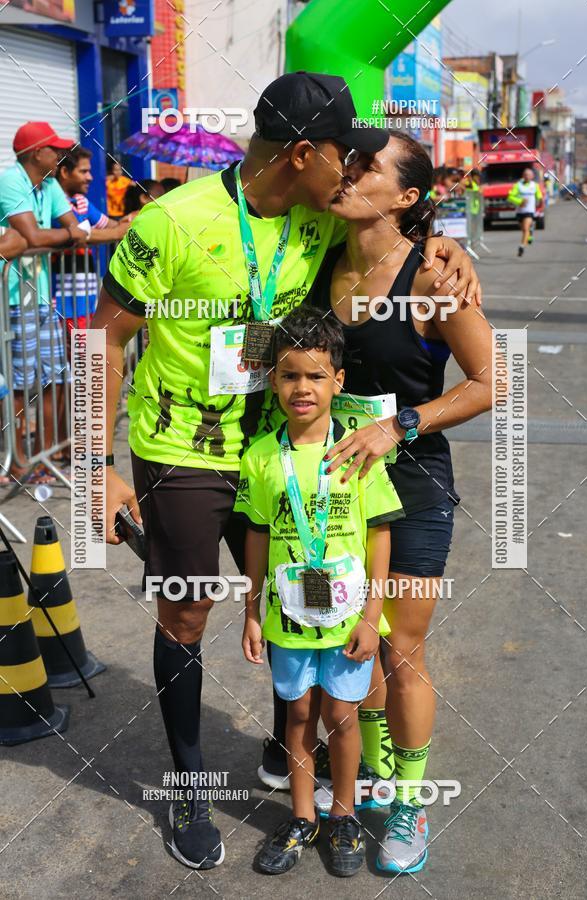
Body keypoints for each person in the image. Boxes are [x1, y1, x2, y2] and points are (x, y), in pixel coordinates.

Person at [92, 71, 481, 870]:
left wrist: (451, 246)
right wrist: (99, 464)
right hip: (183, 450)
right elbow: (104, 338)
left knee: (299, 597)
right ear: (303, 154)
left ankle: (291, 741)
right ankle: (188, 788)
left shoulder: (319, 213)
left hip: (283, 447)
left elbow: (400, 232)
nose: (351, 169)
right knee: (188, 613)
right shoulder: (171, 221)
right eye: (345, 153)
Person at [308, 131, 493, 873]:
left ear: (408, 197)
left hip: (412, 487)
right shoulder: (319, 255)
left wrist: (402, 424)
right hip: (334, 488)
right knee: (352, 642)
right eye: (349, 162)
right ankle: (378, 770)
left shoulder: (431, 277)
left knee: (400, 646)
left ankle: (410, 804)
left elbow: (491, 381)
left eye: (369, 167)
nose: (349, 173)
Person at [237, 308, 404, 877]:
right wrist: (251, 612)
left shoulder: (358, 453)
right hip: (287, 619)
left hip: (349, 619)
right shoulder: (261, 457)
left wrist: (372, 616)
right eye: (289, 375)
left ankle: (344, 815)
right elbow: (256, 535)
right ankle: (303, 817)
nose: (301, 388)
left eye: (315, 375)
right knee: (299, 713)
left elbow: (380, 536)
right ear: (272, 381)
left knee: (341, 714)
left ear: (338, 381)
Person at [0, 121, 87, 485]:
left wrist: (67, 233)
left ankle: (46, 454)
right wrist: (68, 234)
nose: (61, 156)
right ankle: (18, 459)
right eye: (56, 150)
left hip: (39, 296)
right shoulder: (11, 181)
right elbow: (34, 236)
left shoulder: (48, 184)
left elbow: (75, 228)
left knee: (55, 375)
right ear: (37, 153)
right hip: (13, 300)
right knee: (19, 383)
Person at [53, 146, 129, 339]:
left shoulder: (81, 200)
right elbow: (81, 235)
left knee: (90, 355)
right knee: (82, 356)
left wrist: (133, 220)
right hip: (64, 305)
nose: (90, 177)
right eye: (84, 171)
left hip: (87, 302)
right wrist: (118, 232)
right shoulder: (55, 201)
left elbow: (111, 225)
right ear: (64, 172)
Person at [508, 167, 543, 257]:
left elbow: (539, 196)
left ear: (532, 176)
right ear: (523, 176)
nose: (527, 176)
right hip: (520, 211)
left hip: (530, 211)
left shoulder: (534, 185)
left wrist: (541, 203)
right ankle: (530, 233)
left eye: (529, 175)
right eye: (525, 175)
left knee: (525, 228)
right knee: (523, 229)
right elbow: (510, 197)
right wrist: (520, 201)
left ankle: (522, 246)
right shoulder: (518, 185)